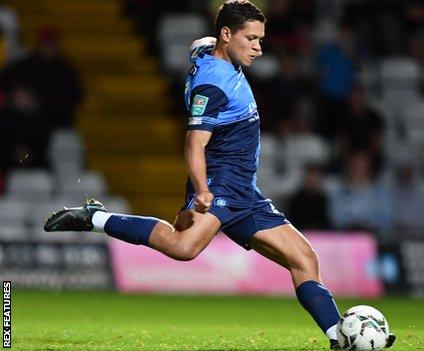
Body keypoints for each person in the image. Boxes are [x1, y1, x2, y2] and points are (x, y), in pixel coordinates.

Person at [43, 2, 395, 349]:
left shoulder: (207, 50)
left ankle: (339, 339)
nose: (258, 48)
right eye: (251, 39)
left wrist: (211, 43)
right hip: (220, 183)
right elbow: (194, 144)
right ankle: (96, 217)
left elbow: (199, 44)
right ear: (227, 35)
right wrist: (201, 190)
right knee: (184, 247)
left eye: (260, 39)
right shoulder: (212, 87)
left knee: (304, 259)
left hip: (246, 191)